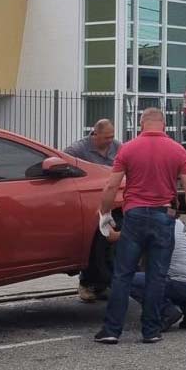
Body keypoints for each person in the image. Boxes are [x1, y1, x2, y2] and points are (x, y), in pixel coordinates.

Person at [94, 108, 186, 345]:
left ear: (141, 123)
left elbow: (111, 186)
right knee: (157, 276)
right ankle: (151, 330)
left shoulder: (127, 149)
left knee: (122, 274)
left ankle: (111, 330)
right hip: (164, 216)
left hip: (134, 216)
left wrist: (105, 213)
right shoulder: (178, 150)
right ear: (163, 124)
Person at [64, 119, 122, 303]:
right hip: (90, 206)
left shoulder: (117, 147)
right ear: (94, 134)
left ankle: (101, 285)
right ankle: (86, 284)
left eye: (112, 136)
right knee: (92, 246)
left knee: (106, 248)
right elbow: (64, 166)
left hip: (113, 203)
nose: (110, 141)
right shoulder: (78, 150)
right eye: (106, 137)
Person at [126, 217, 186, 330]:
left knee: (127, 280)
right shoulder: (177, 222)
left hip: (184, 285)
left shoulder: (153, 225)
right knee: (173, 277)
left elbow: (122, 240)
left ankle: (167, 312)